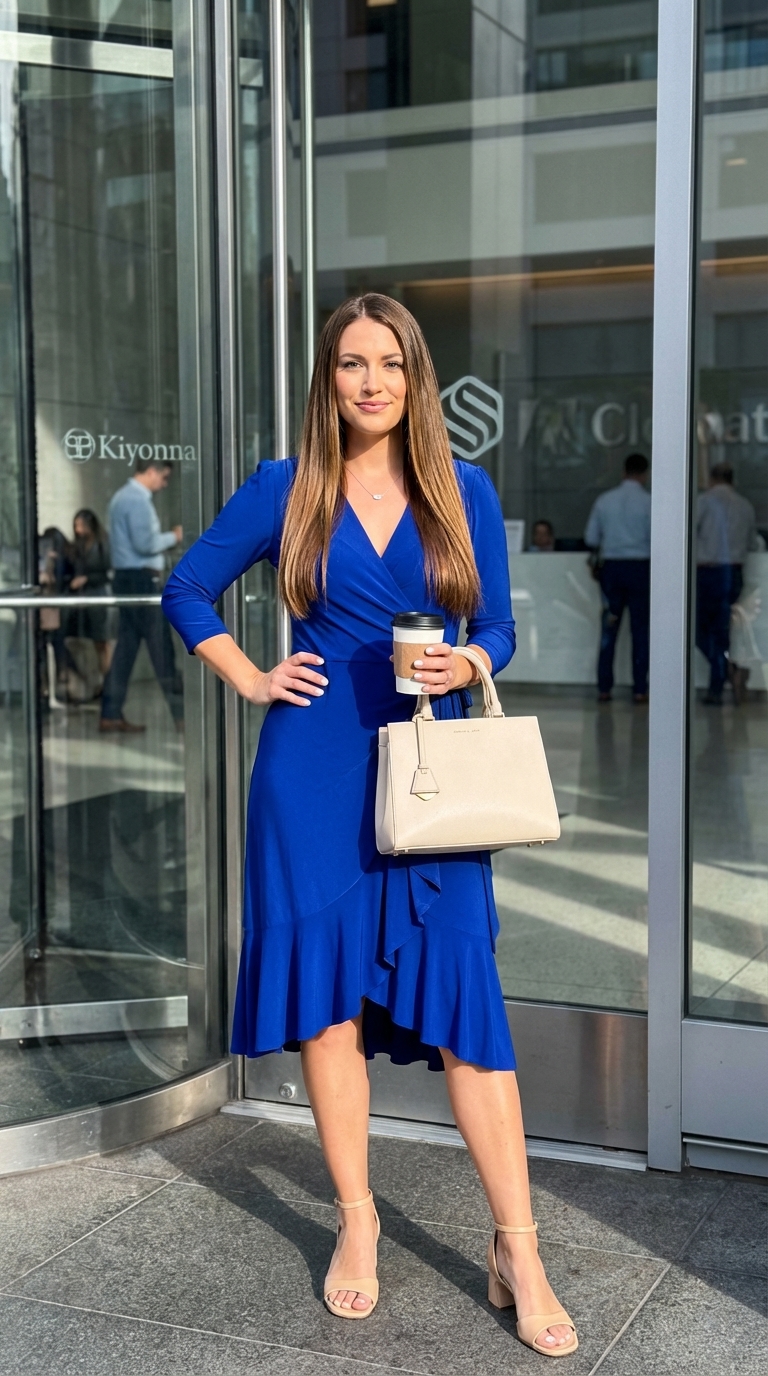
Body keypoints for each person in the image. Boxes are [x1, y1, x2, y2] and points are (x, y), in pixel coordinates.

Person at [162, 295, 578, 1357]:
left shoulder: (461, 489)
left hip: (433, 777)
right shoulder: (285, 484)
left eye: (389, 363)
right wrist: (253, 673)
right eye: (351, 363)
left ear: (415, 375)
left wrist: (472, 660)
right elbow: (188, 586)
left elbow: (499, 623)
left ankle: (518, 1245)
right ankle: (357, 1222)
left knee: (467, 1010)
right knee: (329, 1012)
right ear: (329, 377)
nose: (370, 382)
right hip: (310, 778)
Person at [100, 457, 183, 733]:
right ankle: (182, 718)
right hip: (141, 580)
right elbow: (146, 544)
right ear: (150, 472)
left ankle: (110, 713)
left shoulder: (120, 498)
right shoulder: (135, 500)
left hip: (129, 579)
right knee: (162, 650)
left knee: (125, 651)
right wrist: (174, 536)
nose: (164, 483)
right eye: (163, 477)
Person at [585, 452, 651, 704]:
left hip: (612, 570)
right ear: (644, 474)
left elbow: (592, 538)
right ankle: (639, 689)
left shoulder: (605, 501)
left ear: (624, 472)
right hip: (640, 570)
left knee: (609, 631)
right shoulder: (649, 502)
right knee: (640, 631)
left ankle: (604, 688)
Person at [696, 461, 758, 705]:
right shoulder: (745, 506)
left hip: (708, 572)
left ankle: (720, 678)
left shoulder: (702, 502)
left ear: (712, 478)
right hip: (734, 572)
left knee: (696, 629)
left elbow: (687, 533)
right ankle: (726, 671)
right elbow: (752, 543)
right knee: (721, 631)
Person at [65, 509, 113, 677]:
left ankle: (106, 678)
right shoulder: (77, 546)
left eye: (81, 525)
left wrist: (87, 579)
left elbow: (107, 572)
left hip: (97, 593)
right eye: (76, 526)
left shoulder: (102, 544)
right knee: (80, 640)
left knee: (101, 640)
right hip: (81, 597)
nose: (78, 530)